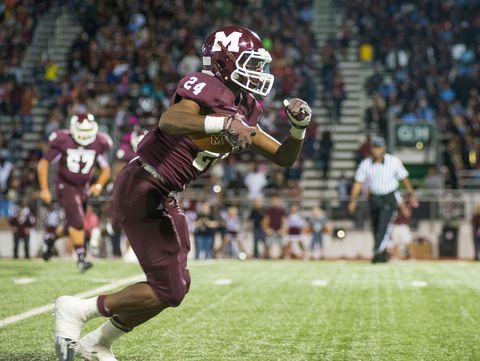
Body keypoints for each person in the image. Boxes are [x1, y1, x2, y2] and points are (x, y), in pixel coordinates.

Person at [52, 26, 312, 361]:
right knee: (168, 290)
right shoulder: (207, 86)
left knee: (175, 288)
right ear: (224, 61)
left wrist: (298, 129)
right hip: (143, 183)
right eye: (251, 63)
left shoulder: (246, 106)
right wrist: (224, 125)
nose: (259, 72)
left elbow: (283, 157)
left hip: (162, 193)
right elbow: (171, 120)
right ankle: (77, 309)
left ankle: (98, 342)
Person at [37, 113, 111, 272]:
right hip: (65, 184)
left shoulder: (99, 142)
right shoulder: (63, 140)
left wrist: (98, 185)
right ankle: (81, 258)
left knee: (74, 223)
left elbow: (106, 169)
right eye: (81, 131)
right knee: (77, 222)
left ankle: (50, 239)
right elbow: (43, 164)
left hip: (83, 186)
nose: (84, 135)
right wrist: (44, 189)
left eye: (87, 132)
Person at [348, 136, 418, 263]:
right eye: (374, 148)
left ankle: (376, 251)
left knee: (383, 225)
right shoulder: (366, 164)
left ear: (383, 148)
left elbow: (405, 178)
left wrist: (411, 195)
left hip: (388, 197)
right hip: (374, 198)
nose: (376, 151)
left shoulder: (394, 161)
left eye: (378, 147)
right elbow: (358, 182)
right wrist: (353, 199)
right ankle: (380, 254)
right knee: (375, 226)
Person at [263, 194, 288, 259]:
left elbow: (284, 221)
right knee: (268, 245)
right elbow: (265, 221)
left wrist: (283, 230)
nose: (274, 202)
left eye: (276, 201)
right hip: (271, 230)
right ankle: (268, 258)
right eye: (273, 201)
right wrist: (266, 229)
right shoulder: (268, 210)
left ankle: (282, 258)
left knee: (282, 245)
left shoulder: (282, 210)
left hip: (279, 231)